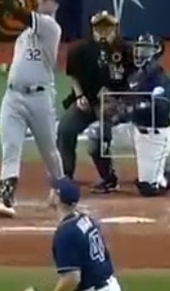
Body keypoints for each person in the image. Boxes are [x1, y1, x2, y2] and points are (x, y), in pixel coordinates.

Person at [0, 0, 67, 219]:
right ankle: (5, 198)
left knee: (49, 151)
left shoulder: (50, 27)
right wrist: (10, 71)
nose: (43, 1)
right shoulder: (23, 37)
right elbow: (26, 62)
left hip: (40, 98)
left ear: (56, 4)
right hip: (13, 97)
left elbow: (16, 11)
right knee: (11, 146)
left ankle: (62, 190)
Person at [85, 33, 170, 197]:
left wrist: (132, 109)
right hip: (133, 131)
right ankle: (109, 180)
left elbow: (160, 108)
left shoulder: (161, 80)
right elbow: (127, 104)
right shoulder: (135, 77)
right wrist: (116, 114)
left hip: (155, 137)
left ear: (156, 52)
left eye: (146, 49)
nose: (140, 53)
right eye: (139, 48)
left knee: (150, 188)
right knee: (96, 133)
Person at [57, 10, 134, 189]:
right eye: (100, 26)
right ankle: (66, 174)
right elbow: (74, 76)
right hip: (88, 102)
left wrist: (118, 101)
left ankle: (108, 177)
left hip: (114, 105)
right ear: (92, 28)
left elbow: (133, 79)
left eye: (108, 26)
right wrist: (79, 96)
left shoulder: (126, 50)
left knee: (100, 136)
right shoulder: (79, 50)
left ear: (115, 28)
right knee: (65, 130)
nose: (104, 30)